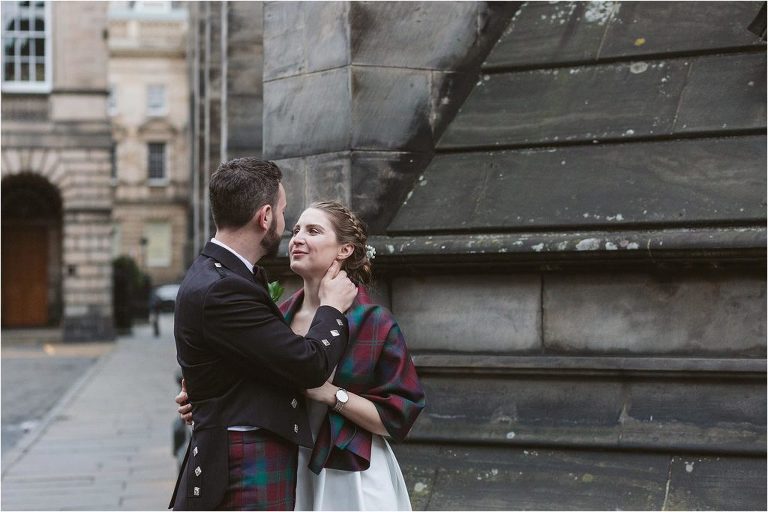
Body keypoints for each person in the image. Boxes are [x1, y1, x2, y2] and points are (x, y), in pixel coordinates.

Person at [178, 201, 426, 510]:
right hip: (284, 467)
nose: (297, 238)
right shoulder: (278, 315)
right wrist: (203, 397)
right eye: (296, 230)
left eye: (313, 231)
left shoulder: (374, 322)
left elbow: (398, 420)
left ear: (344, 250)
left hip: (351, 476)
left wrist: (331, 394)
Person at [169, 159, 358, 511]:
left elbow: (242, 362)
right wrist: (332, 309)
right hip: (245, 460)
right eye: (286, 213)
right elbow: (307, 366)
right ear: (265, 216)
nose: (290, 229)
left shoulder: (221, 275)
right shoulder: (224, 288)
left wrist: (203, 392)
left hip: (243, 452)